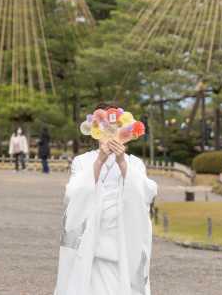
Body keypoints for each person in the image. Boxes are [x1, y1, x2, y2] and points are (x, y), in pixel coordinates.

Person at [55, 101, 158, 295]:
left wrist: (121, 162)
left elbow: (147, 192)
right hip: (89, 235)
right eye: (104, 128)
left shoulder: (134, 163)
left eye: (116, 128)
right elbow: (72, 194)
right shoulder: (82, 161)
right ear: (96, 128)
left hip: (123, 233)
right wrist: (100, 160)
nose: (110, 133)